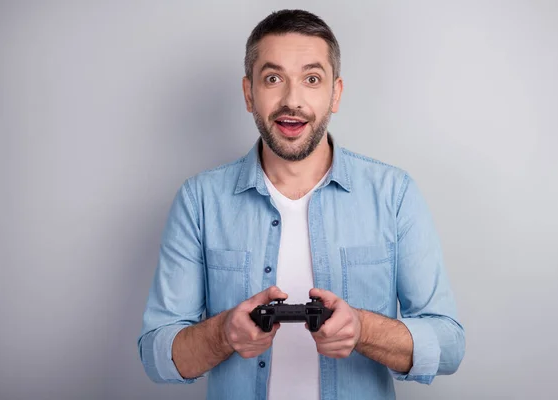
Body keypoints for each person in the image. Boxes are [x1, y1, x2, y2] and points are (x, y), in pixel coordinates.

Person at [138, 9, 465, 400]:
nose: (292, 100)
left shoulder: (394, 194)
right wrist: (222, 334)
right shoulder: (199, 201)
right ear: (248, 93)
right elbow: (157, 355)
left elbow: (448, 345)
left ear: (335, 93)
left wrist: (362, 330)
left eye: (312, 79)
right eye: (273, 79)